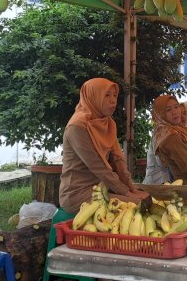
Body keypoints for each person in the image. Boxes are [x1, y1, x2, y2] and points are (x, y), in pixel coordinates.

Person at [59, 78, 148, 215]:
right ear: (93, 97)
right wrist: (126, 193)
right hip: (78, 194)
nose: (113, 100)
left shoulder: (108, 123)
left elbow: (118, 159)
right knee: (137, 208)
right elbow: (99, 167)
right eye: (107, 95)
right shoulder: (77, 126)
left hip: (104, 188)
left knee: (147, 201)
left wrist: (132, 188)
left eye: (114, 95)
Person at [144, 95, 187, 184]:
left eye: (176, 107)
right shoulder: (170, 135)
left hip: (184, 181)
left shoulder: (170, 128)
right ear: (161, 113)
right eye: (168, 110)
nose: (175, 112)